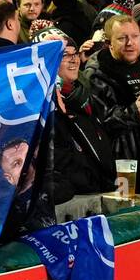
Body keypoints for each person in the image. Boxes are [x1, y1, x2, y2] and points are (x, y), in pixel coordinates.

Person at [82, 15, 140, 190]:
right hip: (124, 161)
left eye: (135, 36)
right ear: (109, 43)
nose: (130, 43)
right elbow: (100, 124)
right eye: (122, 38)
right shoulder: (97, 73)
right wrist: (133, 111)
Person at [36, 27, 116, 204]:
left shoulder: (82, 94)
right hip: (81, 199)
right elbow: (61, 160)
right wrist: (92, 182)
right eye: (64, 55)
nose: (74, 60)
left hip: (101, 190)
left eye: (75, 53)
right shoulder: (47, 107)